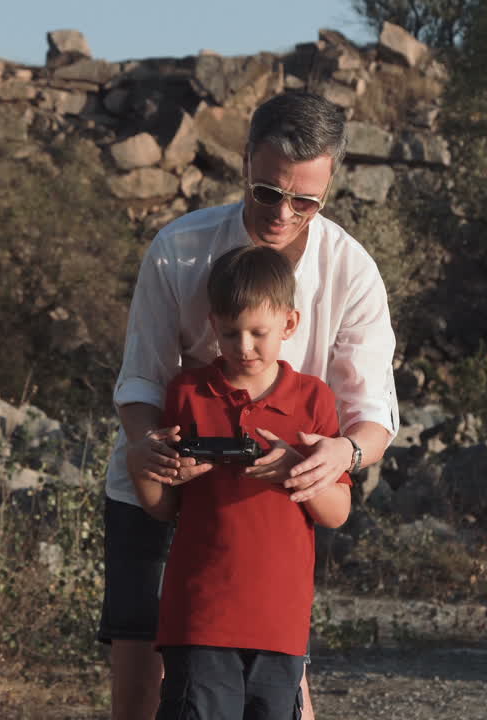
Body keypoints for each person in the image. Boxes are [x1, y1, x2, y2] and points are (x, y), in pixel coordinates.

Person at [101, 90, 399, 720]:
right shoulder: (180, 249)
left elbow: (374, 412)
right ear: (244, 162)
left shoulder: (352, 272)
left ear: (330, 186)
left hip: (273, 502)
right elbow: (142, 381)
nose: (284, 212)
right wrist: (146, 448)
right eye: (268, 192)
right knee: (141, 693)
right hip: (161, 483)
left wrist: (342, 453)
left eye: (305, 200)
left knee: (281, 685)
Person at [133, 245, 352, 719]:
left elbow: (337, 512)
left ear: (290, 325)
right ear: (212, 325)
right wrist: (143, 463)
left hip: (280, 624)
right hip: (198, 618)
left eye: (259, 333)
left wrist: (297, 470)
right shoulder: (187, 392)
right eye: (231, 333)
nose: (244, 347)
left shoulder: (314, 400)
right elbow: (163, 506)